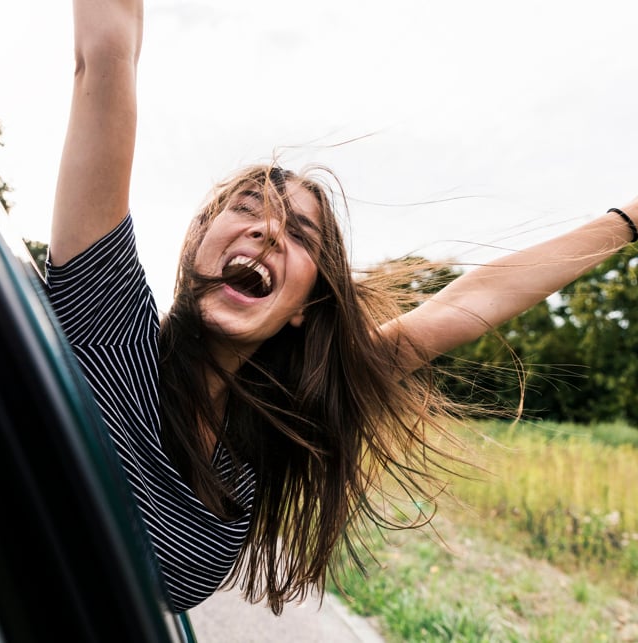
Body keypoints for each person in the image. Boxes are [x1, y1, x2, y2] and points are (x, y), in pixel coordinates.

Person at [45, 0, 638, 615]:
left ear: (303, 306)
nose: (269, 232)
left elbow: (466, 304)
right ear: (198, 237)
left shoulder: (262, 438)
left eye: (300, 235)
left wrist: (629, 222)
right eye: (247, 208)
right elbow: (107, 60)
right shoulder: (107, 326)